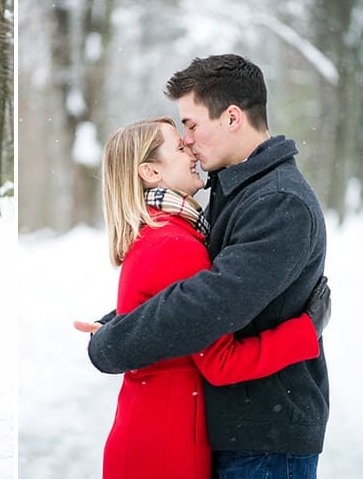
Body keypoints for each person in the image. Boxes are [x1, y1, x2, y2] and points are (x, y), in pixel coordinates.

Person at [86, 55, 329, 478]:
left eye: (192, 125)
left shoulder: (277, 201)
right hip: (240, 429)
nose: (189, 140)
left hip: (267, 438)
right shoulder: (235, 190)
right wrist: (121, 320)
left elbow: (209, 303)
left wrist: (113, 341)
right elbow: (194, 289)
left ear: (232, 117)